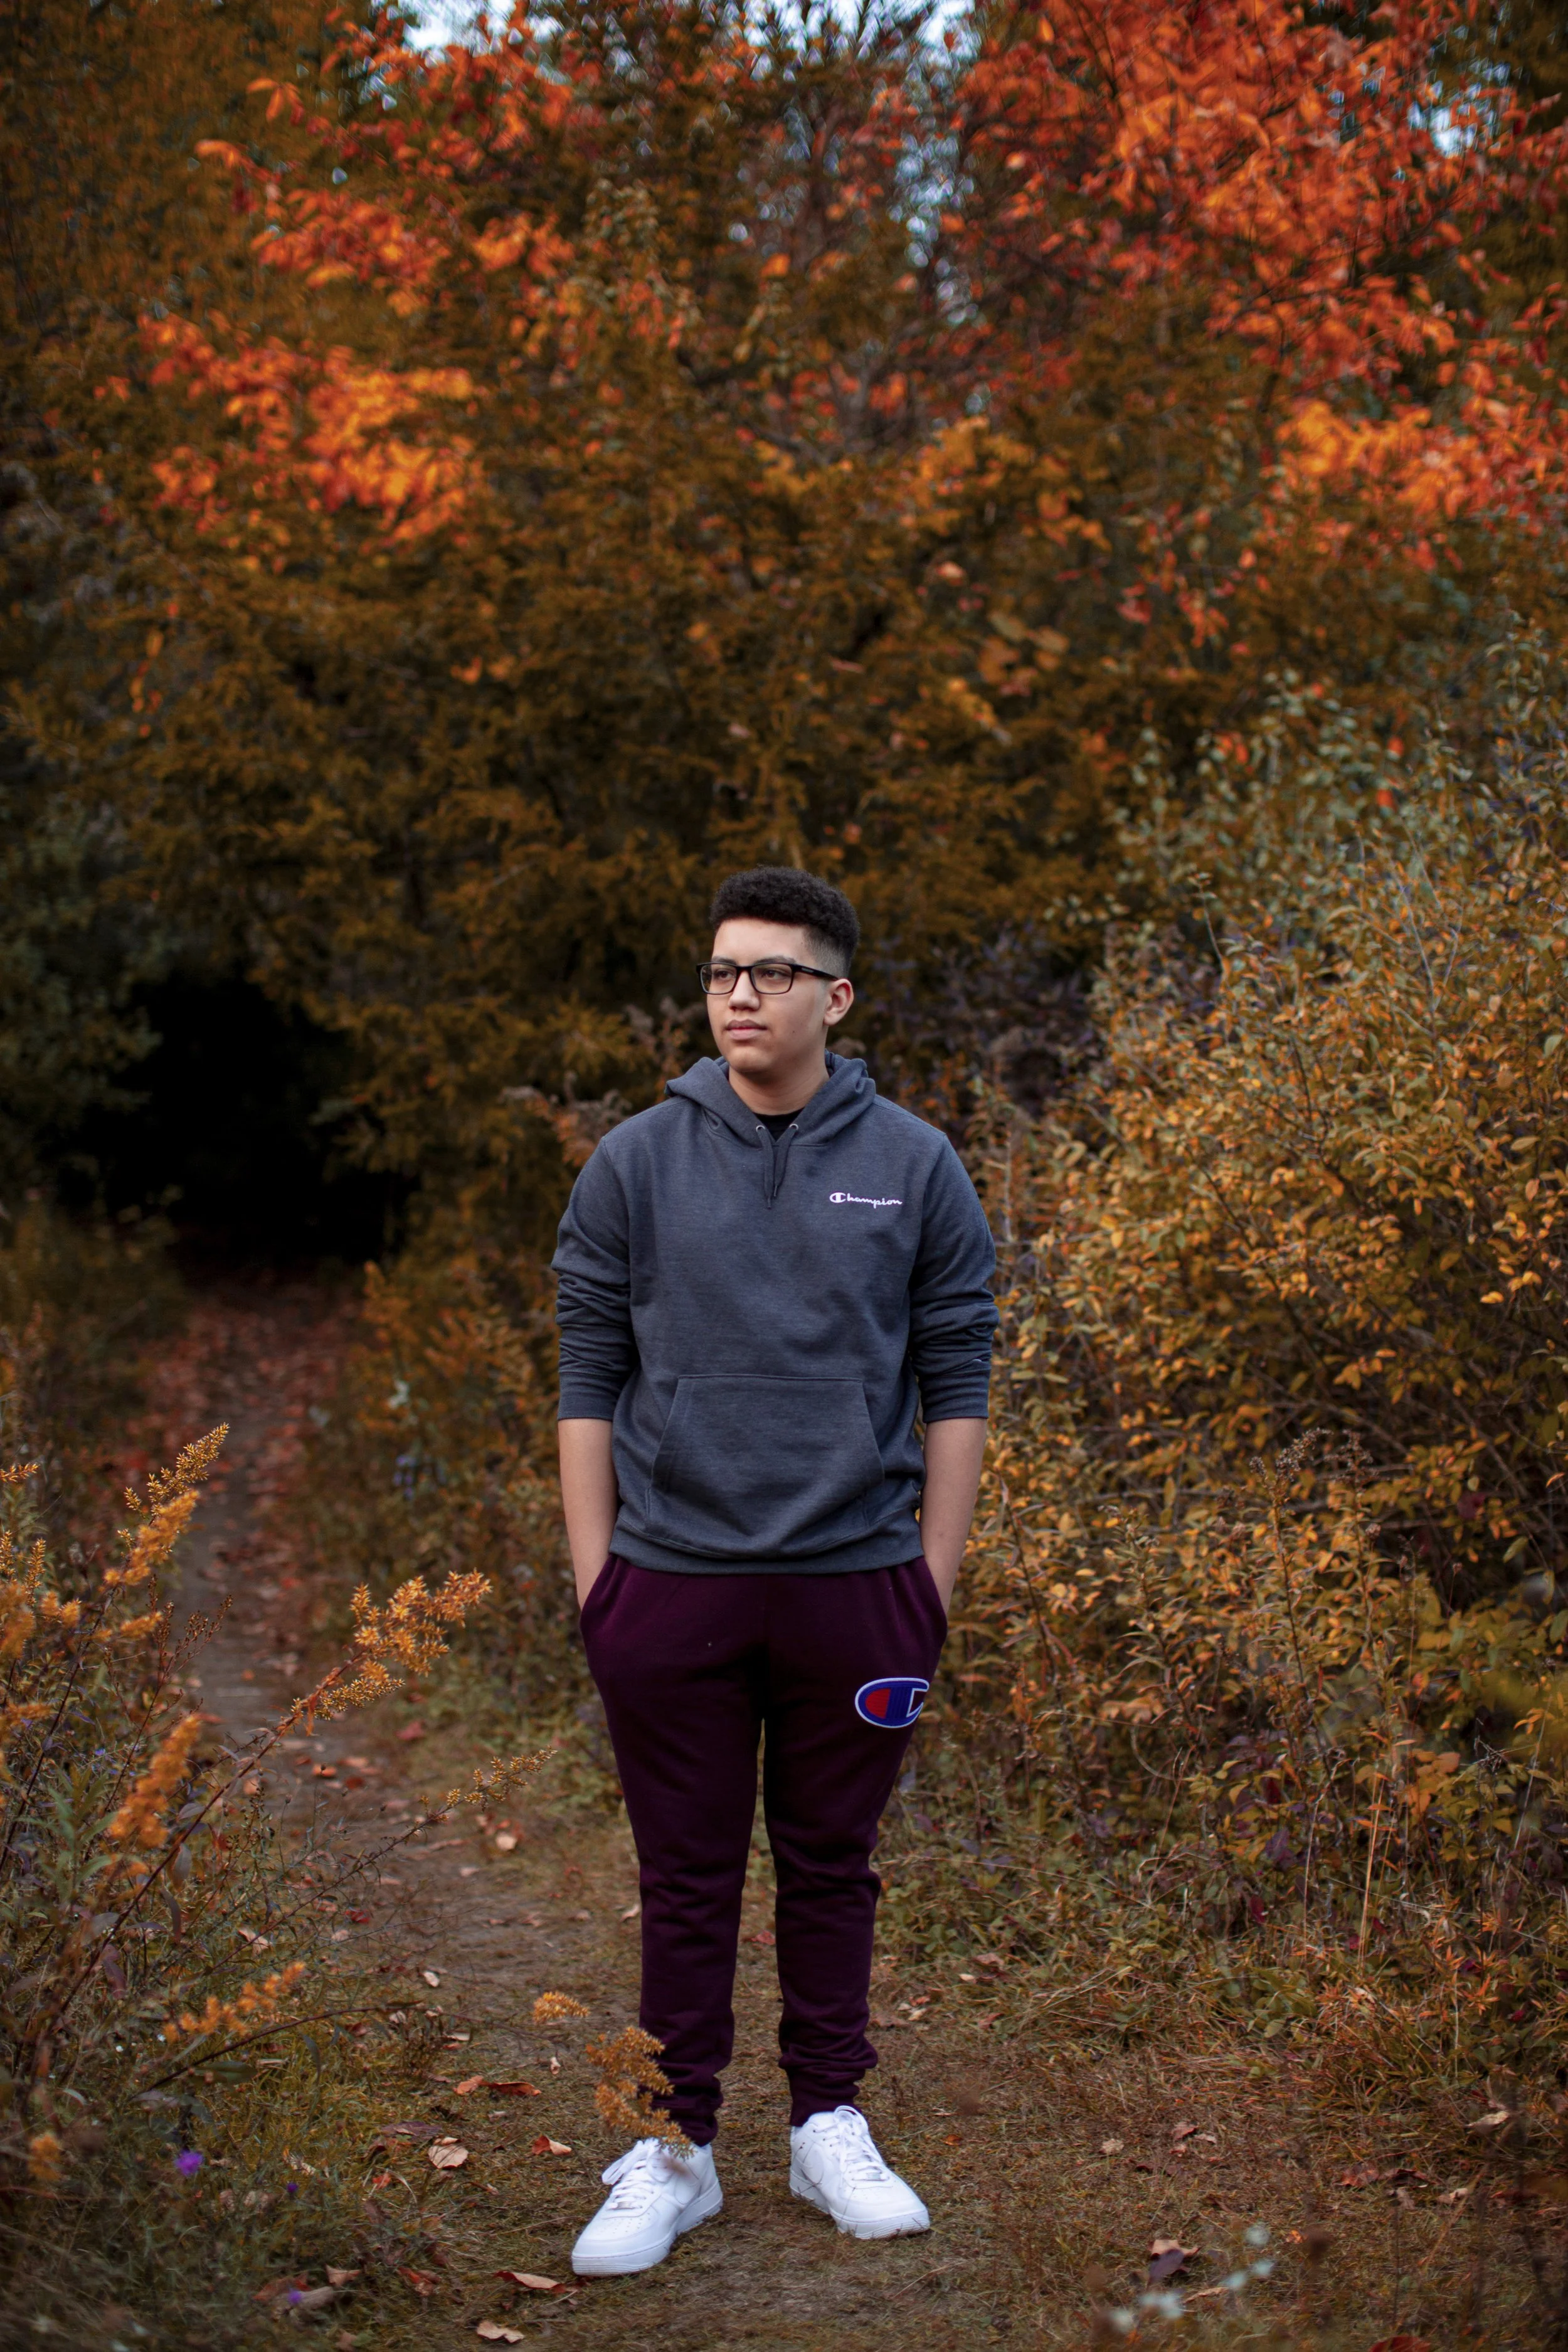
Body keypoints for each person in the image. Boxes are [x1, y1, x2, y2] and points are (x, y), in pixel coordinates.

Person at [551, 864, 997, 2278]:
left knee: (830, 1865)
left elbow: (958, 1377)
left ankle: (825, 2124)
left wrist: (926, 1585)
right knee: (683, 1875)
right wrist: (600, 1583)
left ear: (835, 996)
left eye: (772, 972)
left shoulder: (916, 1165)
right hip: (670, 1581)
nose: (739, 995)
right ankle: (671, 2147)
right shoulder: (634, 1163)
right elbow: (586, 1375)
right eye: (721, 972)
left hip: (856, 1586)